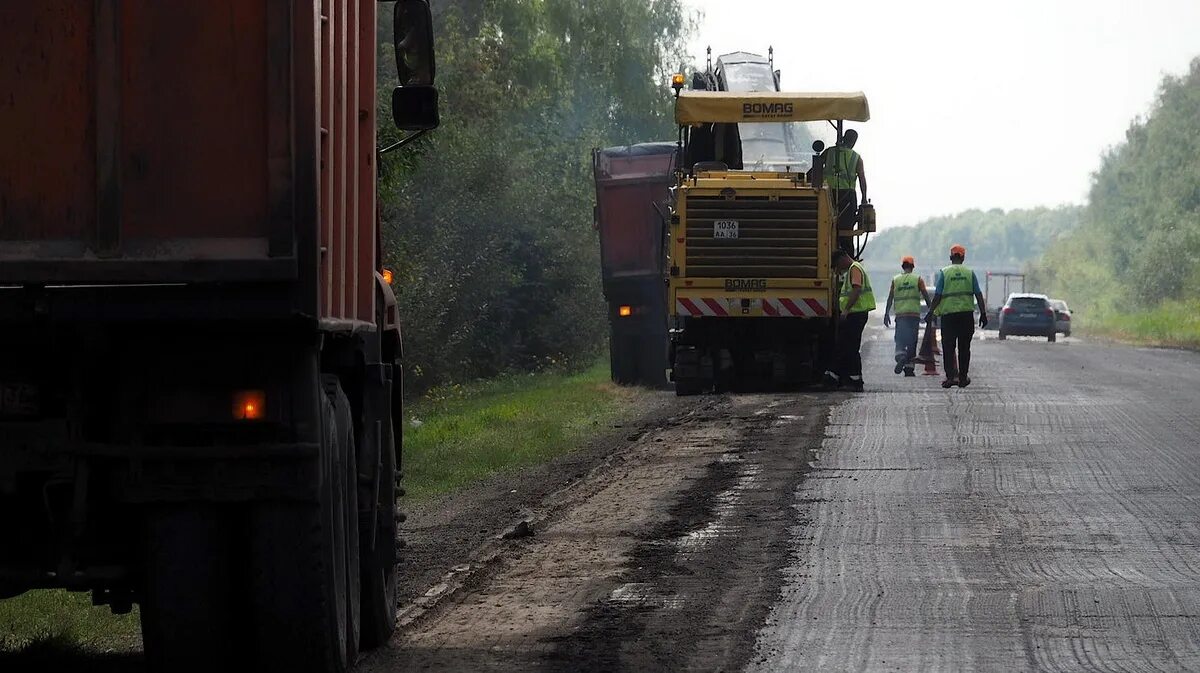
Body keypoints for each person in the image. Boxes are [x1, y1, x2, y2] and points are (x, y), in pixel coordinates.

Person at [924, 244, 987, 388]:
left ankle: (950, 377)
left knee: (948, 347)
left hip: (949, 317)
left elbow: (938, 296)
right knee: (964, 348)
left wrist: (931, 312)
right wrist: (983, 313)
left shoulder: (944, 273)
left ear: (950, 257)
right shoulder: (969, 273)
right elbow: (978, 294)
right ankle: (963, 378)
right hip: (966, 316)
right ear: (963, 257)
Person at [825, 250, 875, 391]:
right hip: (856, 314)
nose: (839, 269)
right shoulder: (855, 268)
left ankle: (852, 379)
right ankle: (852, 377)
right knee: (849, 346)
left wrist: (846, 310)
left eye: (838, 265)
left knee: (850, 346)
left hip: (855, 314)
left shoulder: (854, 269)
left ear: (842, 259)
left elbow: (856, 289)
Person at [883, 256, 931, 377]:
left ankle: (901, 356)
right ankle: (909, 368)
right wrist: (931, 310)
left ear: (902, 267)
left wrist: (886, 313)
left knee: (900, 340)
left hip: (900, 316)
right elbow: (926, 295)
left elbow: (890, 298)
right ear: (913, 267)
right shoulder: (918, 279)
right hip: (913, 315)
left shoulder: (896, 280)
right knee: (912, 341)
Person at [821, 129, 867, 254]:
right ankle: (848, 263)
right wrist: (864, 199)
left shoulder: (829, 152)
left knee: (825, 227)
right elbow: (862, 179)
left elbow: (816, 168)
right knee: (846, 233)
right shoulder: (856, 157)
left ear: (843, 137)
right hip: (848, 198)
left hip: (828, 196)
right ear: (854, 141)